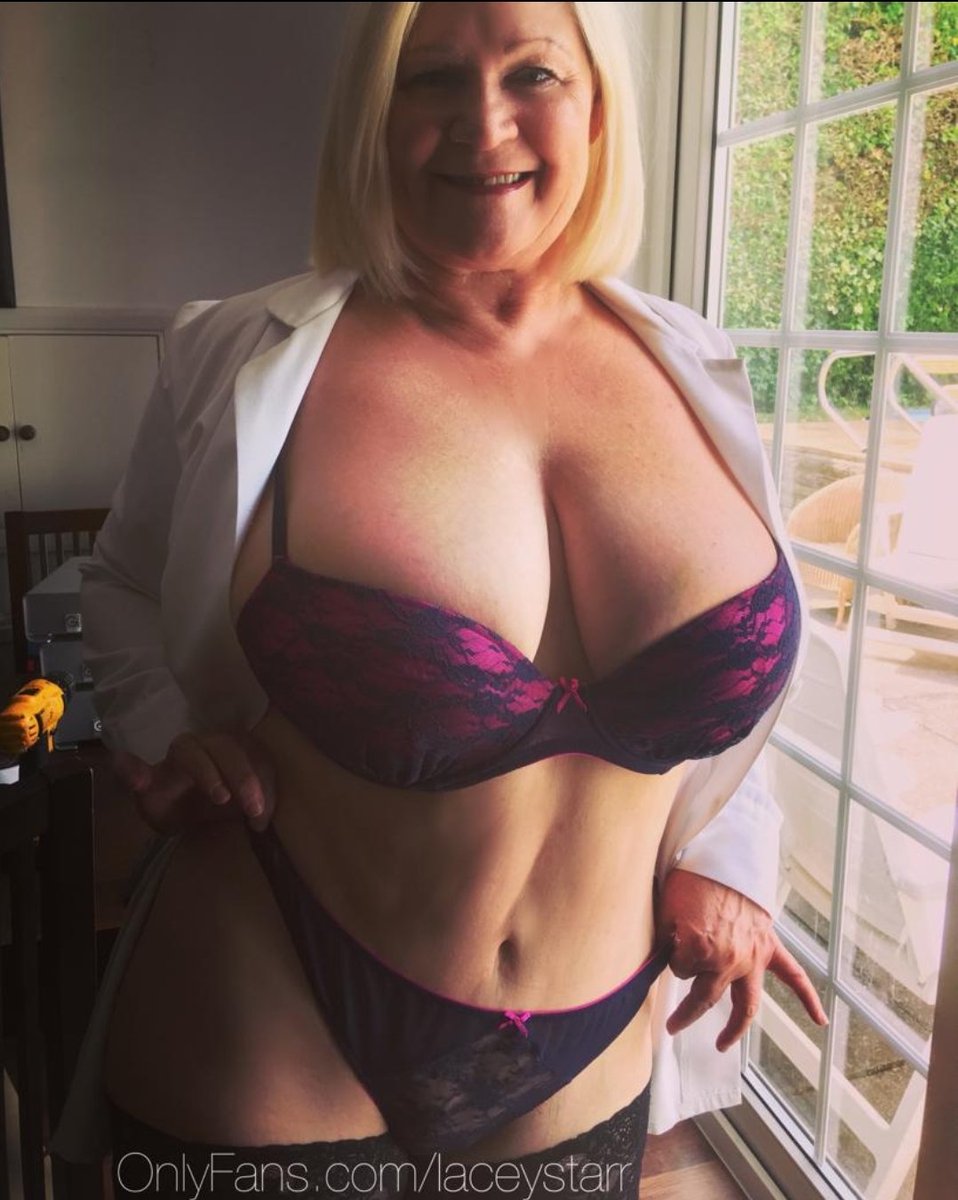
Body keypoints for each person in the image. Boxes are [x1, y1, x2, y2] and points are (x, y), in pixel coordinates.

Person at [51, 2, 826, 1195]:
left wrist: (729, 853)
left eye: (533, 74)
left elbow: (738, 665)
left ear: (597, 106)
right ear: (373, 113)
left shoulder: (691, 363)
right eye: (430, 79)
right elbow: (118, 583)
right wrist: (160, 734)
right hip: (275, 1003)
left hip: (588, 1049)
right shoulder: (240, 354)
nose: (484, 123)